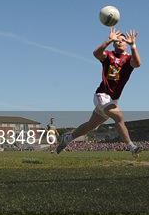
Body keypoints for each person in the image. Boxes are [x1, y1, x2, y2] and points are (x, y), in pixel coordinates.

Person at [56, 27, 142, 156]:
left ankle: (67, 138)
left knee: (90, 126)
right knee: (118, 116)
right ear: (114, 43)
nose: (120, 42)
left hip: (113, 99)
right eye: (117, 40)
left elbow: (138, 64)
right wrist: (108, 40)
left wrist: (134, 46)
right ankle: (132, 147)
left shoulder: (129, 58)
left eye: (123, 40)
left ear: (126, 43)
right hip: (102, 94)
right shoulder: (109, 55)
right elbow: (96, 53)